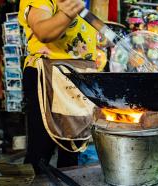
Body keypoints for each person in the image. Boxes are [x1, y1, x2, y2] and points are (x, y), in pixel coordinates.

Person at [18, 0, 98, 172]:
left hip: (78, 77)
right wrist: (67, 14)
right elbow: (43, 31)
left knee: (72, 146)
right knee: (40, 148)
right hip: (48, 75)